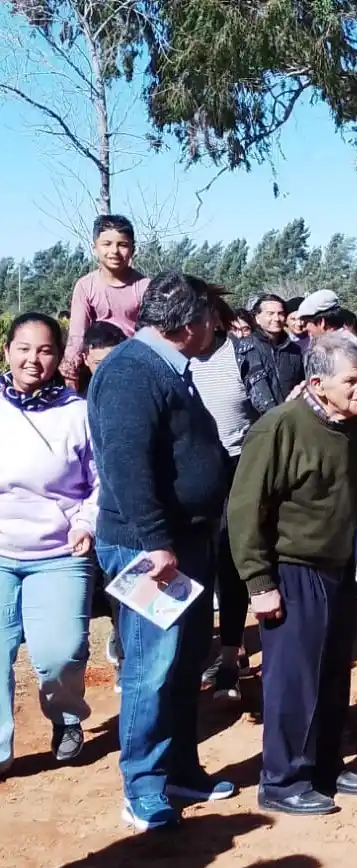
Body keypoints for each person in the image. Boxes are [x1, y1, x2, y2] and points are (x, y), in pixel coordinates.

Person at [89, 272, 234, 831]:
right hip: (149, 548)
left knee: (182, 663)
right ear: (190, 321)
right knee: (152, 667)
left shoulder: (170, 368)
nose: (216, 328)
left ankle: (178, 769)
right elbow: (125, 467)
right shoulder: (132, 372)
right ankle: (143, 788)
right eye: (212, 318)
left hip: (185, 541)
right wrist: (156, 543)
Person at [229, 334, 357, 816]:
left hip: (339, 569)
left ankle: (325, 766)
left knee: (333, 674)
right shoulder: (279, 428)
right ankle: (282, 779)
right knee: (294, 679)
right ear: (317, 383)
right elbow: (245, 510)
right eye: (351, 382)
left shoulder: (352, 429)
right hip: (292, 570)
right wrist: (259, 583)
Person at [0, 314, 98, 775]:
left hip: (59, 553)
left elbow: (101, 481)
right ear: (7, 351)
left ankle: (65, 716)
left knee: (61, 653)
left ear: (58, 357)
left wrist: (86, 522)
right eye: (23, 348)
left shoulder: (78, 413)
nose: (32, 359)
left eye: (44, 350)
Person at [190, 297, 272, 703]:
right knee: (196, 561)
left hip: (238, 466)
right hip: (187, 470)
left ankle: (229, 655)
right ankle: (200, 652)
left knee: (231, 555)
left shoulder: (242, 351)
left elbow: (267, 409)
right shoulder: (173, 357)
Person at [62, 214, 151, 380]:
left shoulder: (145, 286)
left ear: (133, 249)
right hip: (96, 365)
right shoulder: (85, 286)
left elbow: (152, 336)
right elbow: (77, 334)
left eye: (122, 245)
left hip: (134, 363)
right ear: (95, 248)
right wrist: (70, 368)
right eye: (107, 244)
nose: (114, 251)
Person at [252, 294, 305, 397]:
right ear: (257, 318)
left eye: (280, 313)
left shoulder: (294, 349)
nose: (276, 318)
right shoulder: (247, 349)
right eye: (270, 314)